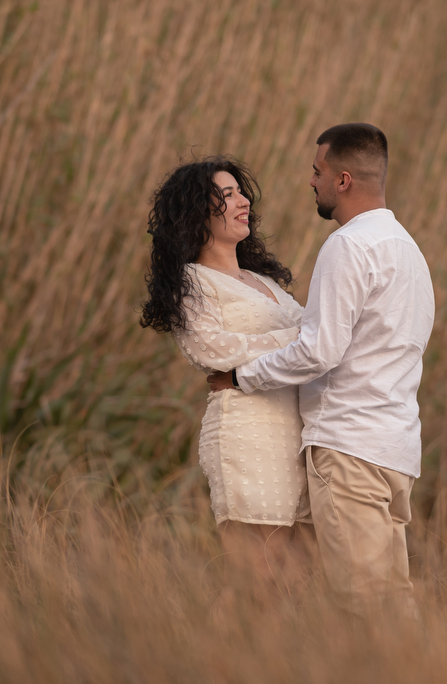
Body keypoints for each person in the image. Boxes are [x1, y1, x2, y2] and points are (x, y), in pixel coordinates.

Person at [208, 123, 435, 618]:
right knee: (390, 598)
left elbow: (319, 351)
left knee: (367, 604)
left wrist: (243, 376)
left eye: (318, 171)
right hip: (396, 450)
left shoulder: (348, 246)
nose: (312, 181)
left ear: (343, 180)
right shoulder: (408, 250)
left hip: (350, 447)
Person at [140, 157, 311, 586]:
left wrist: (301, 340)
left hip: (294, 435)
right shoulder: (193, 281)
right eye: (227, 194)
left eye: (241, 192)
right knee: (258, 583)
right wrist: (295, 339)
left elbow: (315, 340)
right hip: (247, 434)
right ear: (196, 211)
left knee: (293, 583)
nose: (243, 201)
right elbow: (213, 350)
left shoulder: (263, 281)